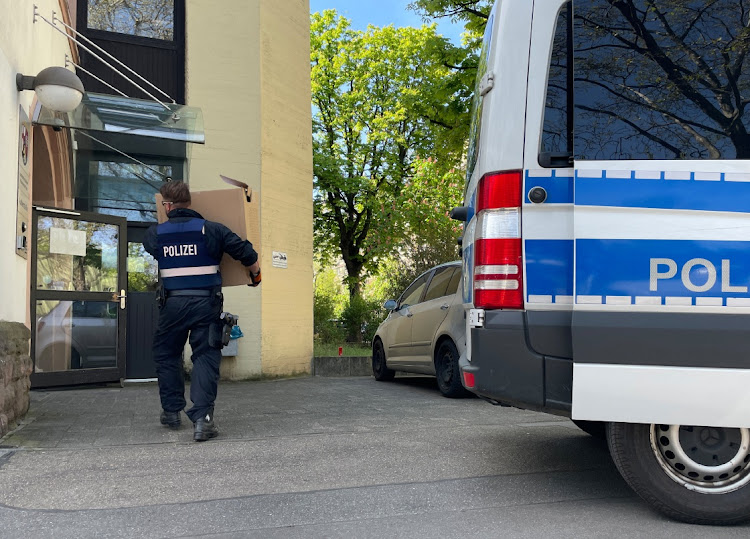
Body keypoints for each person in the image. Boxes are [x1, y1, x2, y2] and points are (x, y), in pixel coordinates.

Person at [143, 181, 261, 441]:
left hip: (172, 305)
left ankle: (172, 412)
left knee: (167, 355)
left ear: (167, 206)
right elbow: (248, 254)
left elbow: (156, 252)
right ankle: (203, 420)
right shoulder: (213, 229)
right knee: (205, 357)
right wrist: (256, 276)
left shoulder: (155, 234)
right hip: (206, 305)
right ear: (189, 203)